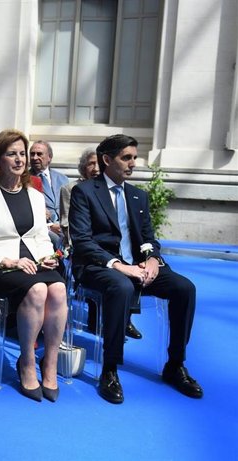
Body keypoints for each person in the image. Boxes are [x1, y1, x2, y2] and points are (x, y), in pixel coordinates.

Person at [69, 134, 203, 404]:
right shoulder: (84, 192)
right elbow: (82, 242)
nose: (133, 163)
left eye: (134, 157)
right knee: (121, 286)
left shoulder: (137, 196)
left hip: (139, 265)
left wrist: (153, 260)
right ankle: (109, 368)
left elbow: (150, 239)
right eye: (126, 157)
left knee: (184, 288)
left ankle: (175, 364)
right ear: (107, 160)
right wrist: (120, 266)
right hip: (99, 265)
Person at [0, 129, 67, 402]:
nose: (20, 159)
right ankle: (27, 361)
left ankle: (51, 362)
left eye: (22, 153)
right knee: (37, 291)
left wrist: (48, 256)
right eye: (12, 154)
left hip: (35, 262)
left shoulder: (34, 194)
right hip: (0, 268)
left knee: (58, 288)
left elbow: (40, 236)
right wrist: (4, 260)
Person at [29, 140, 69, 246]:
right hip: (44, 229)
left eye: (39, 154)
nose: (35, 157)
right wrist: (50, 226)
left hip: (66, 227)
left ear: (49, 157)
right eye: (32, 154)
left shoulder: (63, 179)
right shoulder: (24, 180)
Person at [59, 147, 99, 248]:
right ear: (84, 167)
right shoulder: (70, 189)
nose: (96, 169)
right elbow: (65, 224)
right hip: (80, 244)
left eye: (99, 164)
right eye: (91, 164)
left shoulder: (109, 189)